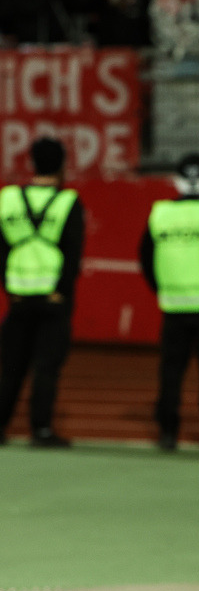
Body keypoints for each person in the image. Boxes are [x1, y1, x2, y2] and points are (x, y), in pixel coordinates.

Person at [139, 153, 199, 452]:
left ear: (177, 178)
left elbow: (145, 257)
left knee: (170, 372)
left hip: (173, 305)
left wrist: (163, 288)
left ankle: (167, 432)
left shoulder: (160, 213)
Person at [0, 137, 84, 447]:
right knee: (46, 367)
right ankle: (41, 429)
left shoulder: (7, 199)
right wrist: (62, 292)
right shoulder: (67, 202)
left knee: (10, 367)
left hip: (18, 297)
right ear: (62, 165)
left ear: (32, 162)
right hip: (53, 299)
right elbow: (73, 254)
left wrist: (10, 288)